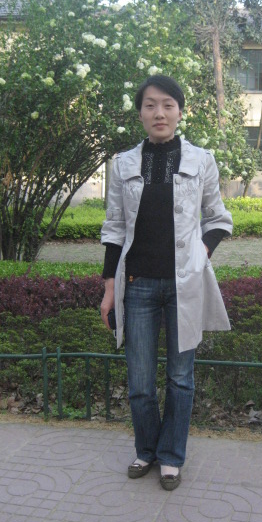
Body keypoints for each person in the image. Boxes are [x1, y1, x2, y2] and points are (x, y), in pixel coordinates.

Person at [100, 75, 233, 491]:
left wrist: (200, 253)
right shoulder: (123, 164)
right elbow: (114, 228)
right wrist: (109, 289)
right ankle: (146, 450)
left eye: (168, 105)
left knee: (180, 378)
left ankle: (172, 456)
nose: (159, 113)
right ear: (140, 113)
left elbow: (218, 219)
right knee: (140, 382)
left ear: (179, 112)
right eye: (150, 105)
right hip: (137, 285)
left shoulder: (201, 160)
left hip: (184, 287)